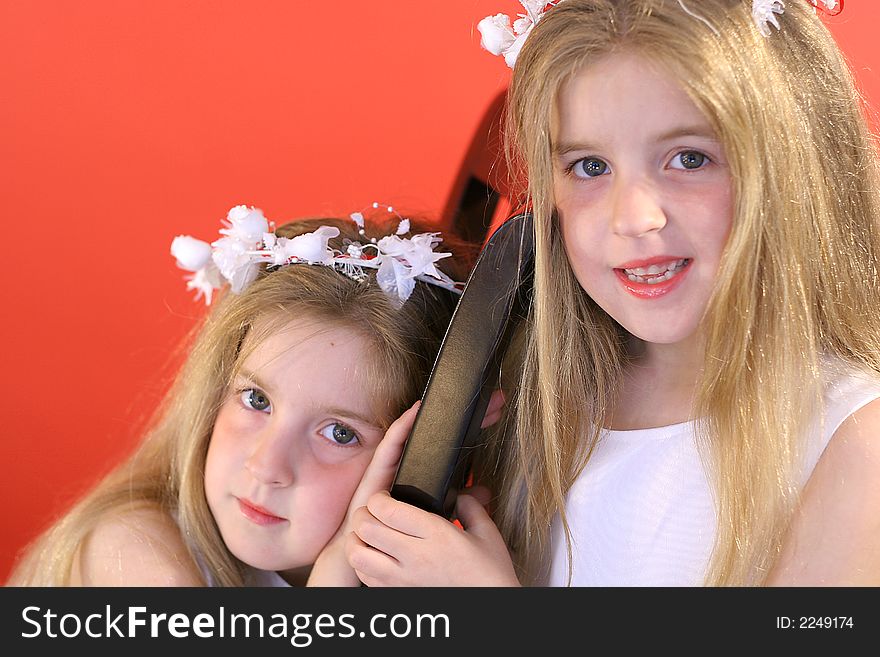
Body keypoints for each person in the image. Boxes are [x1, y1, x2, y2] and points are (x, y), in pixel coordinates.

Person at [344, 0, 880, 586]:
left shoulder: (853, 441)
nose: (633, 218)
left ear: (795, 167)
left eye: (689, 158)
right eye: (590, 166)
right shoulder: (542, 401)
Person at [7, 204, 482, 586]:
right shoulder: (137, 554)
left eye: (339, 433)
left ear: (423, 456)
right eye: (256, 400)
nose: (266, 466)